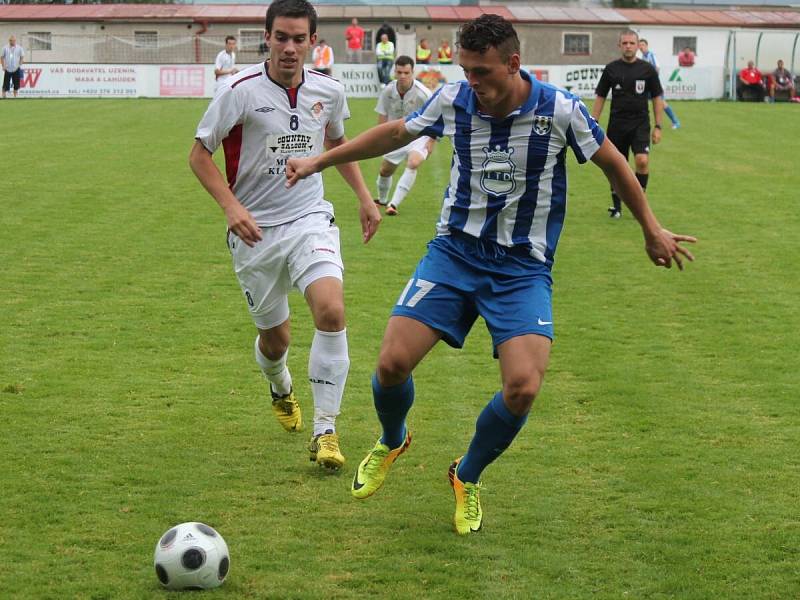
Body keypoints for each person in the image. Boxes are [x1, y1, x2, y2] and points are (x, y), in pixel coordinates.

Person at [286, 14, 695, 535]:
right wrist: (320, 161)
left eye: (482, 72)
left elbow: (614, 163)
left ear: (513, 64)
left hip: (522, 269)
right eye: (466, 70)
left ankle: (467, 474)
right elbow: (394, 132)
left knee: (523, 386)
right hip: (454, 254)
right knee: (390, 364)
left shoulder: (559, 110)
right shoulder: (455, 100)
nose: (472, 82)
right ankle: (392, 439)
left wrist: (651, 229)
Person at [189, 0, 381, 471]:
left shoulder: (329, 91)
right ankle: (280, 386)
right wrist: (231, 207)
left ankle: (326, 431)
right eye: (282, 37)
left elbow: (337, 144)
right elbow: (199, 155)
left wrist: (363, 196)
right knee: (276, 341)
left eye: (300, 38)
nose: (290, 47)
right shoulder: (237, 90)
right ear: (267, 37)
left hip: (309, 218)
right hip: (254, 233)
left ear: (314, 41)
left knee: (332, 311)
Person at [592, 30, 665, 219]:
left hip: (640, 123)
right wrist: (593, 122)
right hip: (617, 124)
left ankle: (640, 202)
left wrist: (658, 126)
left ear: (637, 45)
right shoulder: (611, 69)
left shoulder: (647, 70)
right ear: (619, 46)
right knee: (617, 166)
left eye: (632, 43)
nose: (628, 46)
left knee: (642, 161)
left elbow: (657, 97)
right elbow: (600, 95)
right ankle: (617, 207)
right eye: (625, 43)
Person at [373, 55, 435, 216]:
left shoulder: (424, 93)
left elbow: (436, 116)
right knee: (385, 171)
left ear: (412, 72)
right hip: (395, 136)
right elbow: (382, 114)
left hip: (419, 136)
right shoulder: (388, 90)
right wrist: (380, 139)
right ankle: (382, 199)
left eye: (406, 73)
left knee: (413, 163)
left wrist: (432, 140)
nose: (402, 76)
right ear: (394, 71)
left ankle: (393, 204)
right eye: (399, 72)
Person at [638, 39, 680, 129]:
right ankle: (641, 123)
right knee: (640, 101)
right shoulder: (643, 57)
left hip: (654, 85)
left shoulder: (650, 55)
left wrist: (653, 81)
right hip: (647, 86)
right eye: (640, 45)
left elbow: (657, 68)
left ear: (646, 46)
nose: (641, 47)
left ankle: (676, 122)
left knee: (661, 103)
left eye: (643, 45)